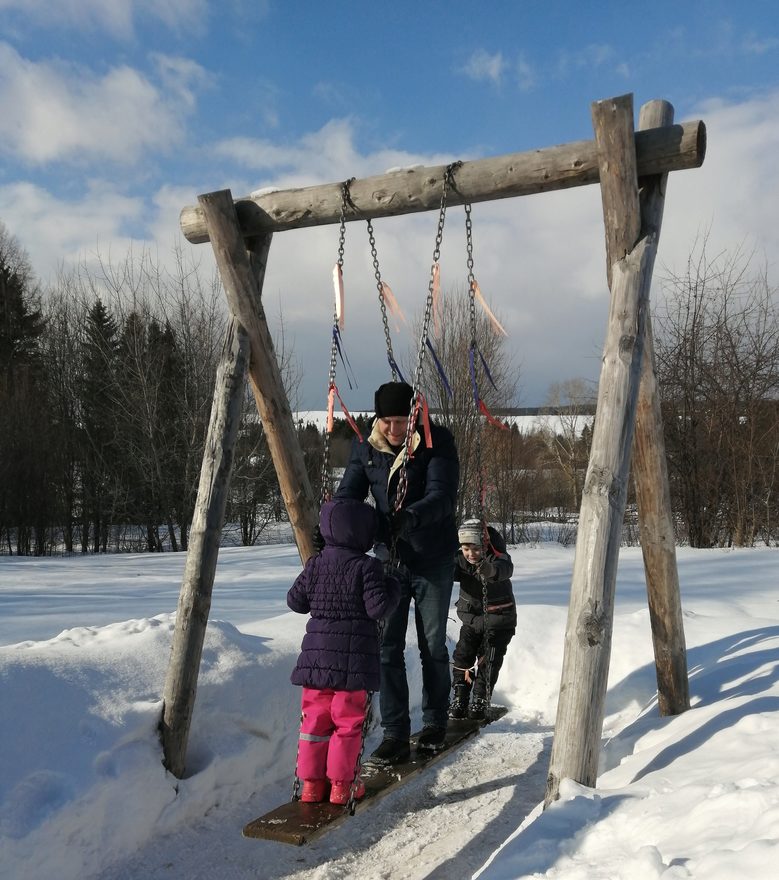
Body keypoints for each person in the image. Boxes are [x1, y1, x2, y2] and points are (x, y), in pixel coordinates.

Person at [333, 380, 459, 764]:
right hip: (390, 559)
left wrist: (413, 517)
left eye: (401, 421)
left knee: (432, 645)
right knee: (387, 648)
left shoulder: (436, 442)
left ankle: (435, 722)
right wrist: (332, 526)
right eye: (387, 421)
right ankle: (395, 734)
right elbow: (348, 495)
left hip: (432, 557)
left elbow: (442, 494)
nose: (393, 429)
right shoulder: (366, 447)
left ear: (413, 416)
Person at [287, 497, 400, 805]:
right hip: (353, 663)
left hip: (316, 660)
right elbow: (378, 608)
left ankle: (311, 785)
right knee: (347, 723)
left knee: (314, 722)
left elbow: (295, 602)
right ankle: (341, 786)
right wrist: (393, 585)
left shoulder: (316, 563)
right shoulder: (367, 566)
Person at [450, 518, 516, 720]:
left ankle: (480, 697)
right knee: (463, 655)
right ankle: (461, 695)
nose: (471, 554)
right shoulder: (460, 559)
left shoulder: (497, 557)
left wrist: (491, 571)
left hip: (499, 620)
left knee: (489, 659)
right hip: (471, 619)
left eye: (476, 549)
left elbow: (506, 568)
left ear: (485, 546)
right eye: (466, 548)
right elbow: (446, 568)